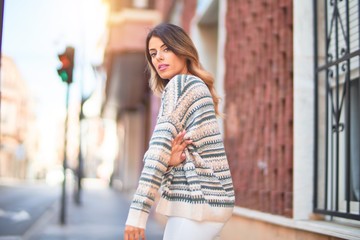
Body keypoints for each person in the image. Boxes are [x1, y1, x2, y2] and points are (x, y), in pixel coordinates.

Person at [124, 23, 235, 240]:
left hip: (198, 202)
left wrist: (137, 213)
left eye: (166, 49)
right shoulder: (195, 85)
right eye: (153, 54)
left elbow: (158, 149)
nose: (158, 58)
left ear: (182, 50)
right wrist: (170, 160)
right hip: (206, 202)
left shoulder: (180, 84)